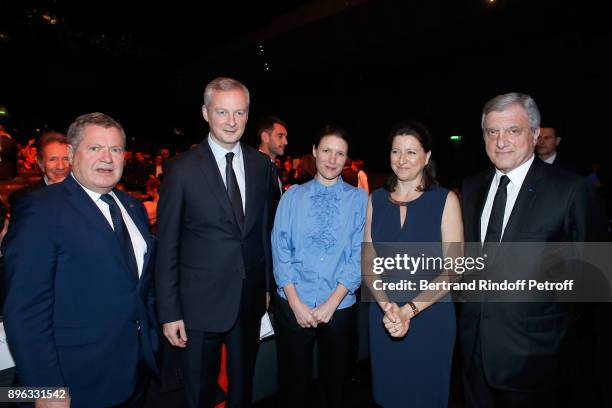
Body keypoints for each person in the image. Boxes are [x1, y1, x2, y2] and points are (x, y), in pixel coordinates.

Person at [2, 112, 159, 407]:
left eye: (115, 149)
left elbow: (140, 285)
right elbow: (25, 309)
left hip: (136, 372)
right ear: (72, 154)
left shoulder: (133, 208)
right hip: (75, 381)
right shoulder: (40, 210)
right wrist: (45, 388)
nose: (108, 157)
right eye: (95, 148)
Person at [459, 93, 606, 407]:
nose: (501, 141)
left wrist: (546, 327)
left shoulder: (571, 189)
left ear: (535, 135)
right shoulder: (471, 187)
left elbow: (592, 281)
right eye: (492, 132)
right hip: (474, 357)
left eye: (513, 130)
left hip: (535, 362)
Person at [156, 77, 274, 408]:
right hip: (198, 305)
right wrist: (169, 311)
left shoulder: (262, 165)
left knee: (242, 389)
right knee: (199, 392)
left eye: (239, 113)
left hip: (248, 300)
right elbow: (167, 246)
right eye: (222, 112)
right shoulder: (180, 170)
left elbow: (263, 232)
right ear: (206, 113)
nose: (232, 122)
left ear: (248, 115)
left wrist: (265, 287)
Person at [364, 121, 462, 408]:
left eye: (410, 152)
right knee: (388, 395)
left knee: (426, 395)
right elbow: (368, 258)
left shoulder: (446, 200)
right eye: (396, 152)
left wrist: (409, 310)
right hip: (385, 315)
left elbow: (454, 268)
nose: (401, 159)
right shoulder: (376, 199)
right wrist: (386, 306)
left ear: (427, 157)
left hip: (430, 316)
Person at [272, 125, 367, 408]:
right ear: (314, 152)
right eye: (326, 150)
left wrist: (331, 304)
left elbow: (358, 255)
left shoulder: (360, 199)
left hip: (339, 307)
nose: (332, 159)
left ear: (347, 159)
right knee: (293, 386)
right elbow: (280, 250)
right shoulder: (292, 196)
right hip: (293, 305)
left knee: (334, 387)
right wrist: (296, 304)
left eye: (340, 153)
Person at [9, 131, 70, 208]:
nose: (61, 166)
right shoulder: (22, 198)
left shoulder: (86, 193)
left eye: (66, 158)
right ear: (41, 164)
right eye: (53, 159)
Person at [257, 116, 288, 210]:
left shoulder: (275, 170)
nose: (286, 142)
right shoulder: (250, 167)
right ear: (265, 137)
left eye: (285, 137)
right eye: (280, 136)